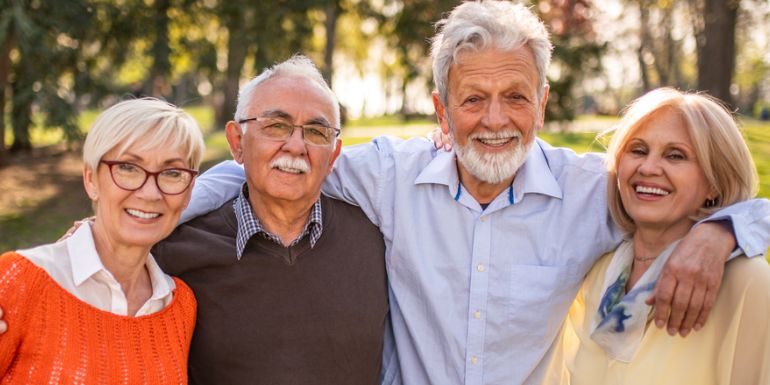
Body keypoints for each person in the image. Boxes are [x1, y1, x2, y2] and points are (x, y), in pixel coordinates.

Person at [182, 2, 770, 385]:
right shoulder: (390, 175)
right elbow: (285, 160)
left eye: (515, 96)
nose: (495, 119)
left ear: (542, 103)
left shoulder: (596, 191)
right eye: (471, 99)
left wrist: (721, 231)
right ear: (441, 110)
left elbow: (701, 190)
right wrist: (157, 214)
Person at [152, 55, 388, 384]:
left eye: (316, 132)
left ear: (333, 155)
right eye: (276, 126)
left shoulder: (376, 245)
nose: (295, 146)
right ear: (237, 142)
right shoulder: (175, 253)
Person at [560, 88, 770, 384]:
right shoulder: (598, 273)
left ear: (714, 182)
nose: (648, 168)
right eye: (638, 150)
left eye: (675, 156)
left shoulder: (747, 283)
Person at [0, 98, 204, 383]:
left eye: (172, 173)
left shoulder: (179, 308)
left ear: (189, 191)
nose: (149, 193)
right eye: (128, 168)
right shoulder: (19, 281)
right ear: (91, 180)